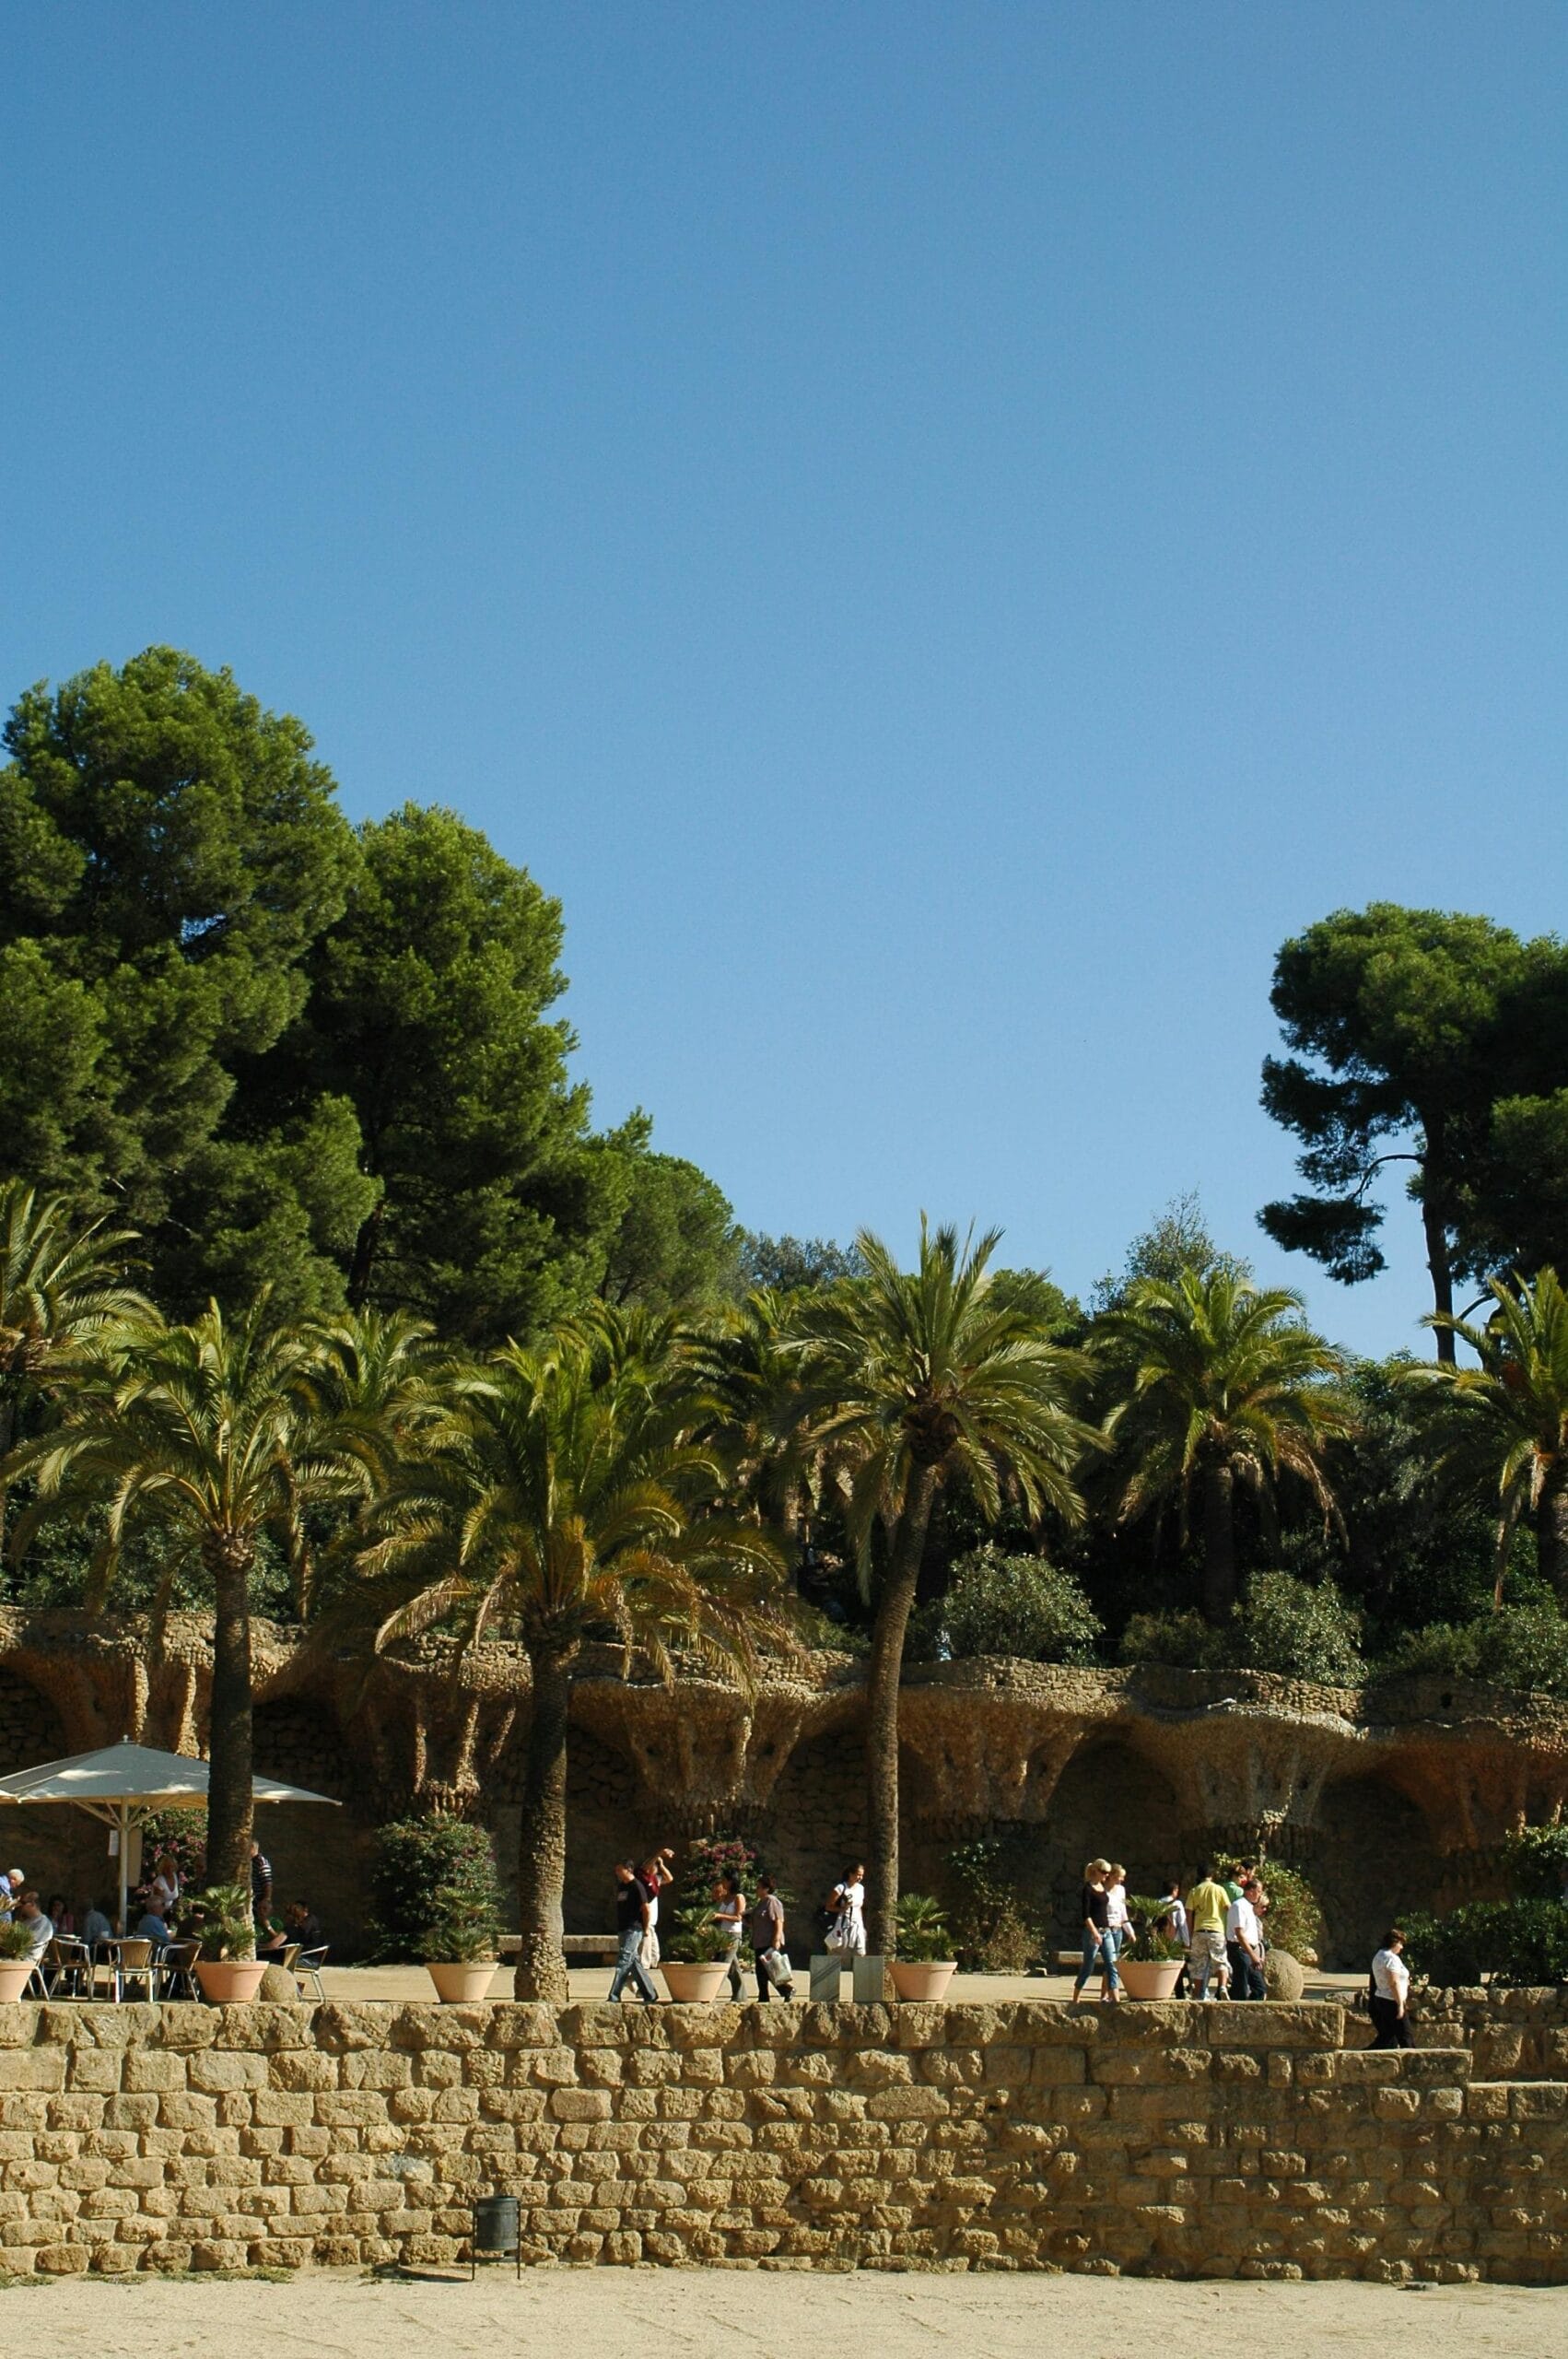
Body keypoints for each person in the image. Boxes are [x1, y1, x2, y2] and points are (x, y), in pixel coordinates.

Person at [608, 1860, 661, 2002]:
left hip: (634, 1928)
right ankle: (650, 1993)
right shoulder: (621, 1887)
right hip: (623, 1928)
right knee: (634, 1962)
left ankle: (614, 1995)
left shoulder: (637, 1886)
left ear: (629, 1869)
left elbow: (646, 1908)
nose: (618, 1873)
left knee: (624, 1959)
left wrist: (645, 1927)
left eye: (620, 1870)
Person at [1072, 1859, 1120, 2003]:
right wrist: (1094, 1932)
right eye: (1104, 1873)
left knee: (1112, 1964)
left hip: (1107, 1930)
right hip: (1093, 1931)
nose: (1106, 1875)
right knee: (1089, 1965)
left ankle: (1116, 1999)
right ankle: (1076, 1996)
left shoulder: (1102, 1887)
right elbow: (1086, 1915)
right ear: (1096, 1871)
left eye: (1108, 1873)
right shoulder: (1088, 1888)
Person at [1185, 1863, 1232, 2000]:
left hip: (1199, 1930)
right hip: (1217, 1930)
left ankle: (1199, 1994)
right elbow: (1229, 1908)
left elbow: (1189, 1914)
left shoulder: (1194, 1891)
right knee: (1220, 1961)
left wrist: (1190, 1932)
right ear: (1212, 1875)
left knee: (1198, 1965)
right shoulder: (1219, 1890)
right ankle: (1222, 1986)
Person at [748, 1873, 794, 2001]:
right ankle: (764, 1996)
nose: (756, 1890)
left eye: (759, 1887)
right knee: (761, 1971)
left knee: (770, 1970)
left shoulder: (772, 1901)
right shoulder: (760, 1903)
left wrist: (776, 1938)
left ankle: (786, 1990)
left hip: (768, 1941)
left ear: (766, 1888)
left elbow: (779, 1920)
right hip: (759, 1942)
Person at [1369, 1928, 1412, 2049]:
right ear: (1395, 1943)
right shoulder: (1391, 1958)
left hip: (1381, 1999)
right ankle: (1412, 2064)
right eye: (1401, 1944)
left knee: (1387, 2038)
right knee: (1406, 2036)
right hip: (1392, 2000)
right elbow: (1393, 1982)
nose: (1401, 1947)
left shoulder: (1379, 1955)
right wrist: (1400, 2005)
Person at [1225, 1876, 1267, 2001]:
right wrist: (1253, 1956)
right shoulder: (1239, 1906)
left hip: (1248, 1950)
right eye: (1259, 1892)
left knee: (1259, 1988)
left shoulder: (1249, 1907)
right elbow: (1239, 1933)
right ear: (1250, 1891)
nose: (1260, 1895)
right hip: (1240, 1950)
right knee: (1241, 1989)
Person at [639, 1851, 672, 1974]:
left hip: (653, 1921)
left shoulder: (656, 1880)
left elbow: (669, 1878)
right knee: (646, 1947)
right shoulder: (642, 1879)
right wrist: (657, 1856)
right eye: (655, 1865)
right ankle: (644, 1967)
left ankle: (652, 1965)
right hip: (646, 1919)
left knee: (654, 1950)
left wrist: (662, 1865)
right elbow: (645, 1867)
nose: (656, 1868)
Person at [1103, 1864, 1132, 1997]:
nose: (1122, 1880)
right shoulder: (1101, 1889)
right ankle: (1114, 1995)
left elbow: (1123, 1913)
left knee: (1110, 1963)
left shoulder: (1121, 1890)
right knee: (1112, 1963)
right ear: (1113, 1876)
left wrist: (1130, 1931)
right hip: (1105, 1929)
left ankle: (1104, 1995)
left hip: (1118, 1929)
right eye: (1121, 1877)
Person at [827, 1865, 867, 1956]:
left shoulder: (861, 1888)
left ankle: (858, 1969)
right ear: (851, 1874)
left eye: (862, 1875)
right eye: (858, 1875)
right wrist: (843, 1909)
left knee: (860, 1951)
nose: (860, 1878)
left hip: (857, 1923)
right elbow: (828, 1906)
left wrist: (861, 1923)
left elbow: (859, 1907)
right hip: (842, 1923)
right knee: (839, 1948)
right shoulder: (840, 1888)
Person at [13, 1891, 53, 1964]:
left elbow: (27, 1942)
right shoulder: (26, 1921)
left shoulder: (44, 1923)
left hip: (26, 1960)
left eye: (23, 1903)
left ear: (32, 1904)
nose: (20, 1906)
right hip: (15, 1957)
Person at [250, 1839, 273, 1926]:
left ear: (252, 1848)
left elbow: (267, 1883)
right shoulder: (250, 1863)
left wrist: (266, 1899)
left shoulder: (261, 1863)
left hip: (258, 1902)